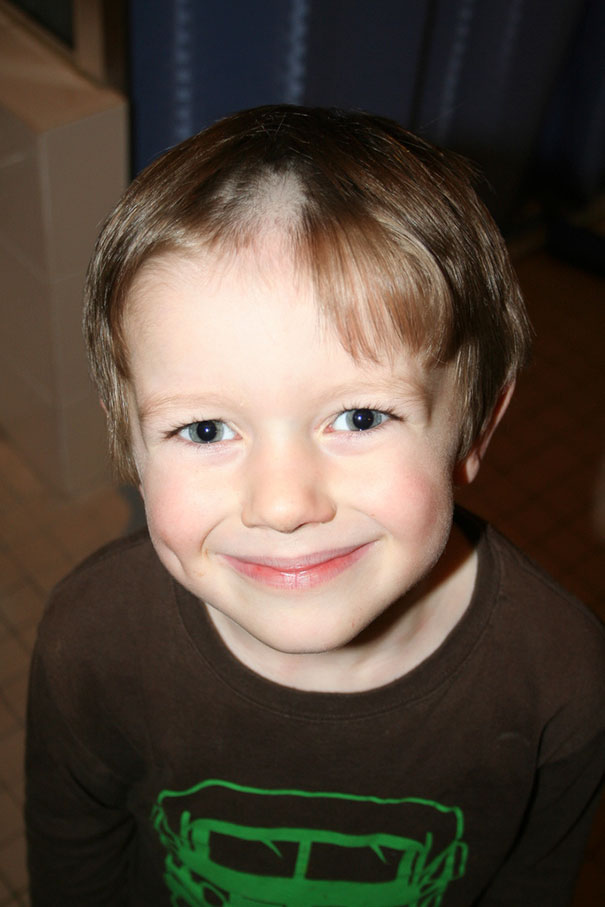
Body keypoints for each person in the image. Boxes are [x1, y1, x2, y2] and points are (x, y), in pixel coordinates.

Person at [25, 105, 604, 906]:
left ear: (473, 427)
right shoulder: (89, 640)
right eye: (203, 427)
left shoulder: (563, 678)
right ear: (129, 443)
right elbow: (73, 859)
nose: (283, 503)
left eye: (359, 417)